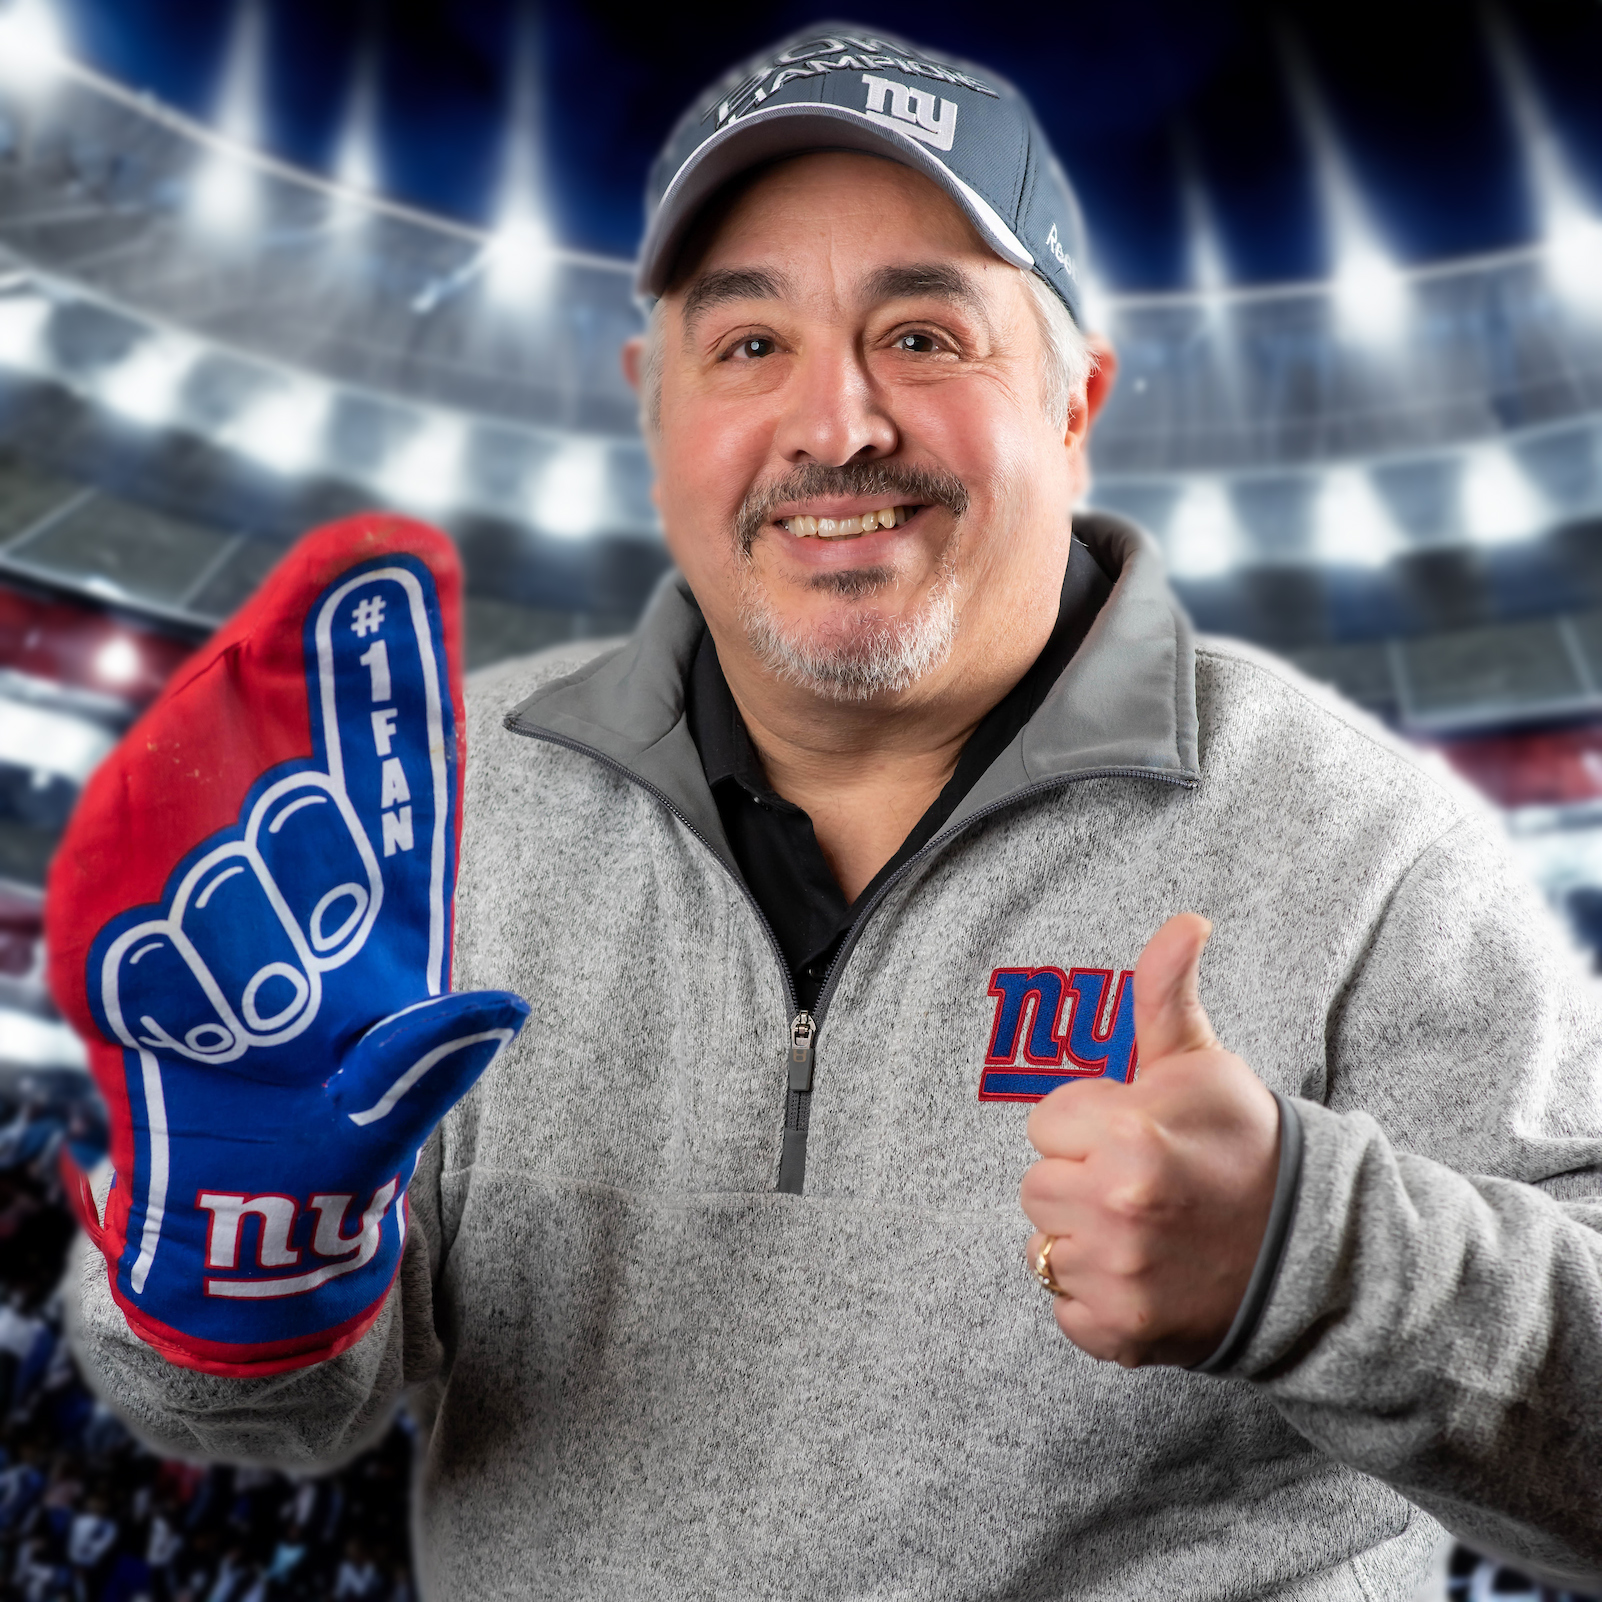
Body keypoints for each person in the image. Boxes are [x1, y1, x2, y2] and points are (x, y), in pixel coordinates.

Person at [59, 23, 1602, 1601]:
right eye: (747, 346)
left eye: (924, 334)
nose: (837, 421)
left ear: (1075, 397)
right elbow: (269, 1416)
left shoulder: (1353, 840)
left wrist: (1319, 1260)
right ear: (648, 403)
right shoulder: (446, 802)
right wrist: (244, 1249)